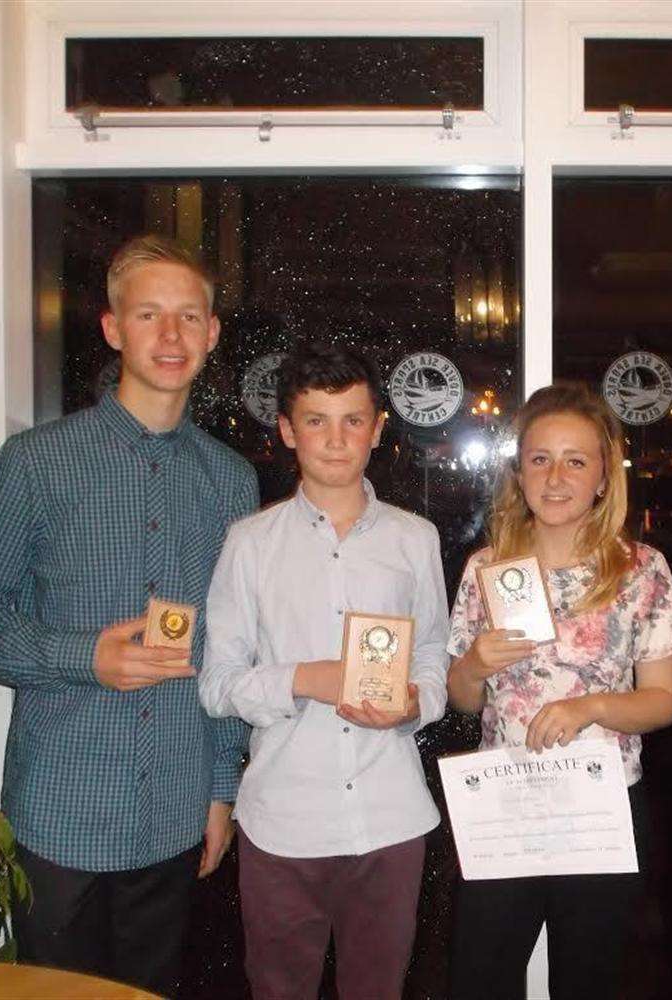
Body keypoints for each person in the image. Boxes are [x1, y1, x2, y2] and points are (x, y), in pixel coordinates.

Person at [0, 236, 258, 995]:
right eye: (149, 314)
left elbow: (228, 651)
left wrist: (221, 792)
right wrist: (84, 656)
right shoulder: (36, 462)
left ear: (212, 334)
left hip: (176, 810)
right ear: (113, 329)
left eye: (189, 316)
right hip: (61, 810)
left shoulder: (231, 480)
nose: (171, 336)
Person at [199, 343, 448, 1000]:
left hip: (391, 818)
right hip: (283, 820)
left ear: (377, 428)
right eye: (315, 420)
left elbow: (433, 661)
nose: (335, 441)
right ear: (286, 430)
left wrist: (413, 704)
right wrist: (305, 678)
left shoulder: (413, 539)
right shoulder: (249, 544)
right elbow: (217, 684)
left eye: (352, 420)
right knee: (279, 991)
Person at [446, 382, 672, 999]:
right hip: (502, 803)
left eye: (575, 461)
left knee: (590, 979)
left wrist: (589, 708)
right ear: (519, 473)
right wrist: (475, 663)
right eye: (540, 459)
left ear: (604, 477)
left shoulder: (641, 569)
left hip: (599, 805)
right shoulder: (487, 568)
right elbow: (462, 699)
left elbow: (664, 701)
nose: (555, 478)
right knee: (479, 978)